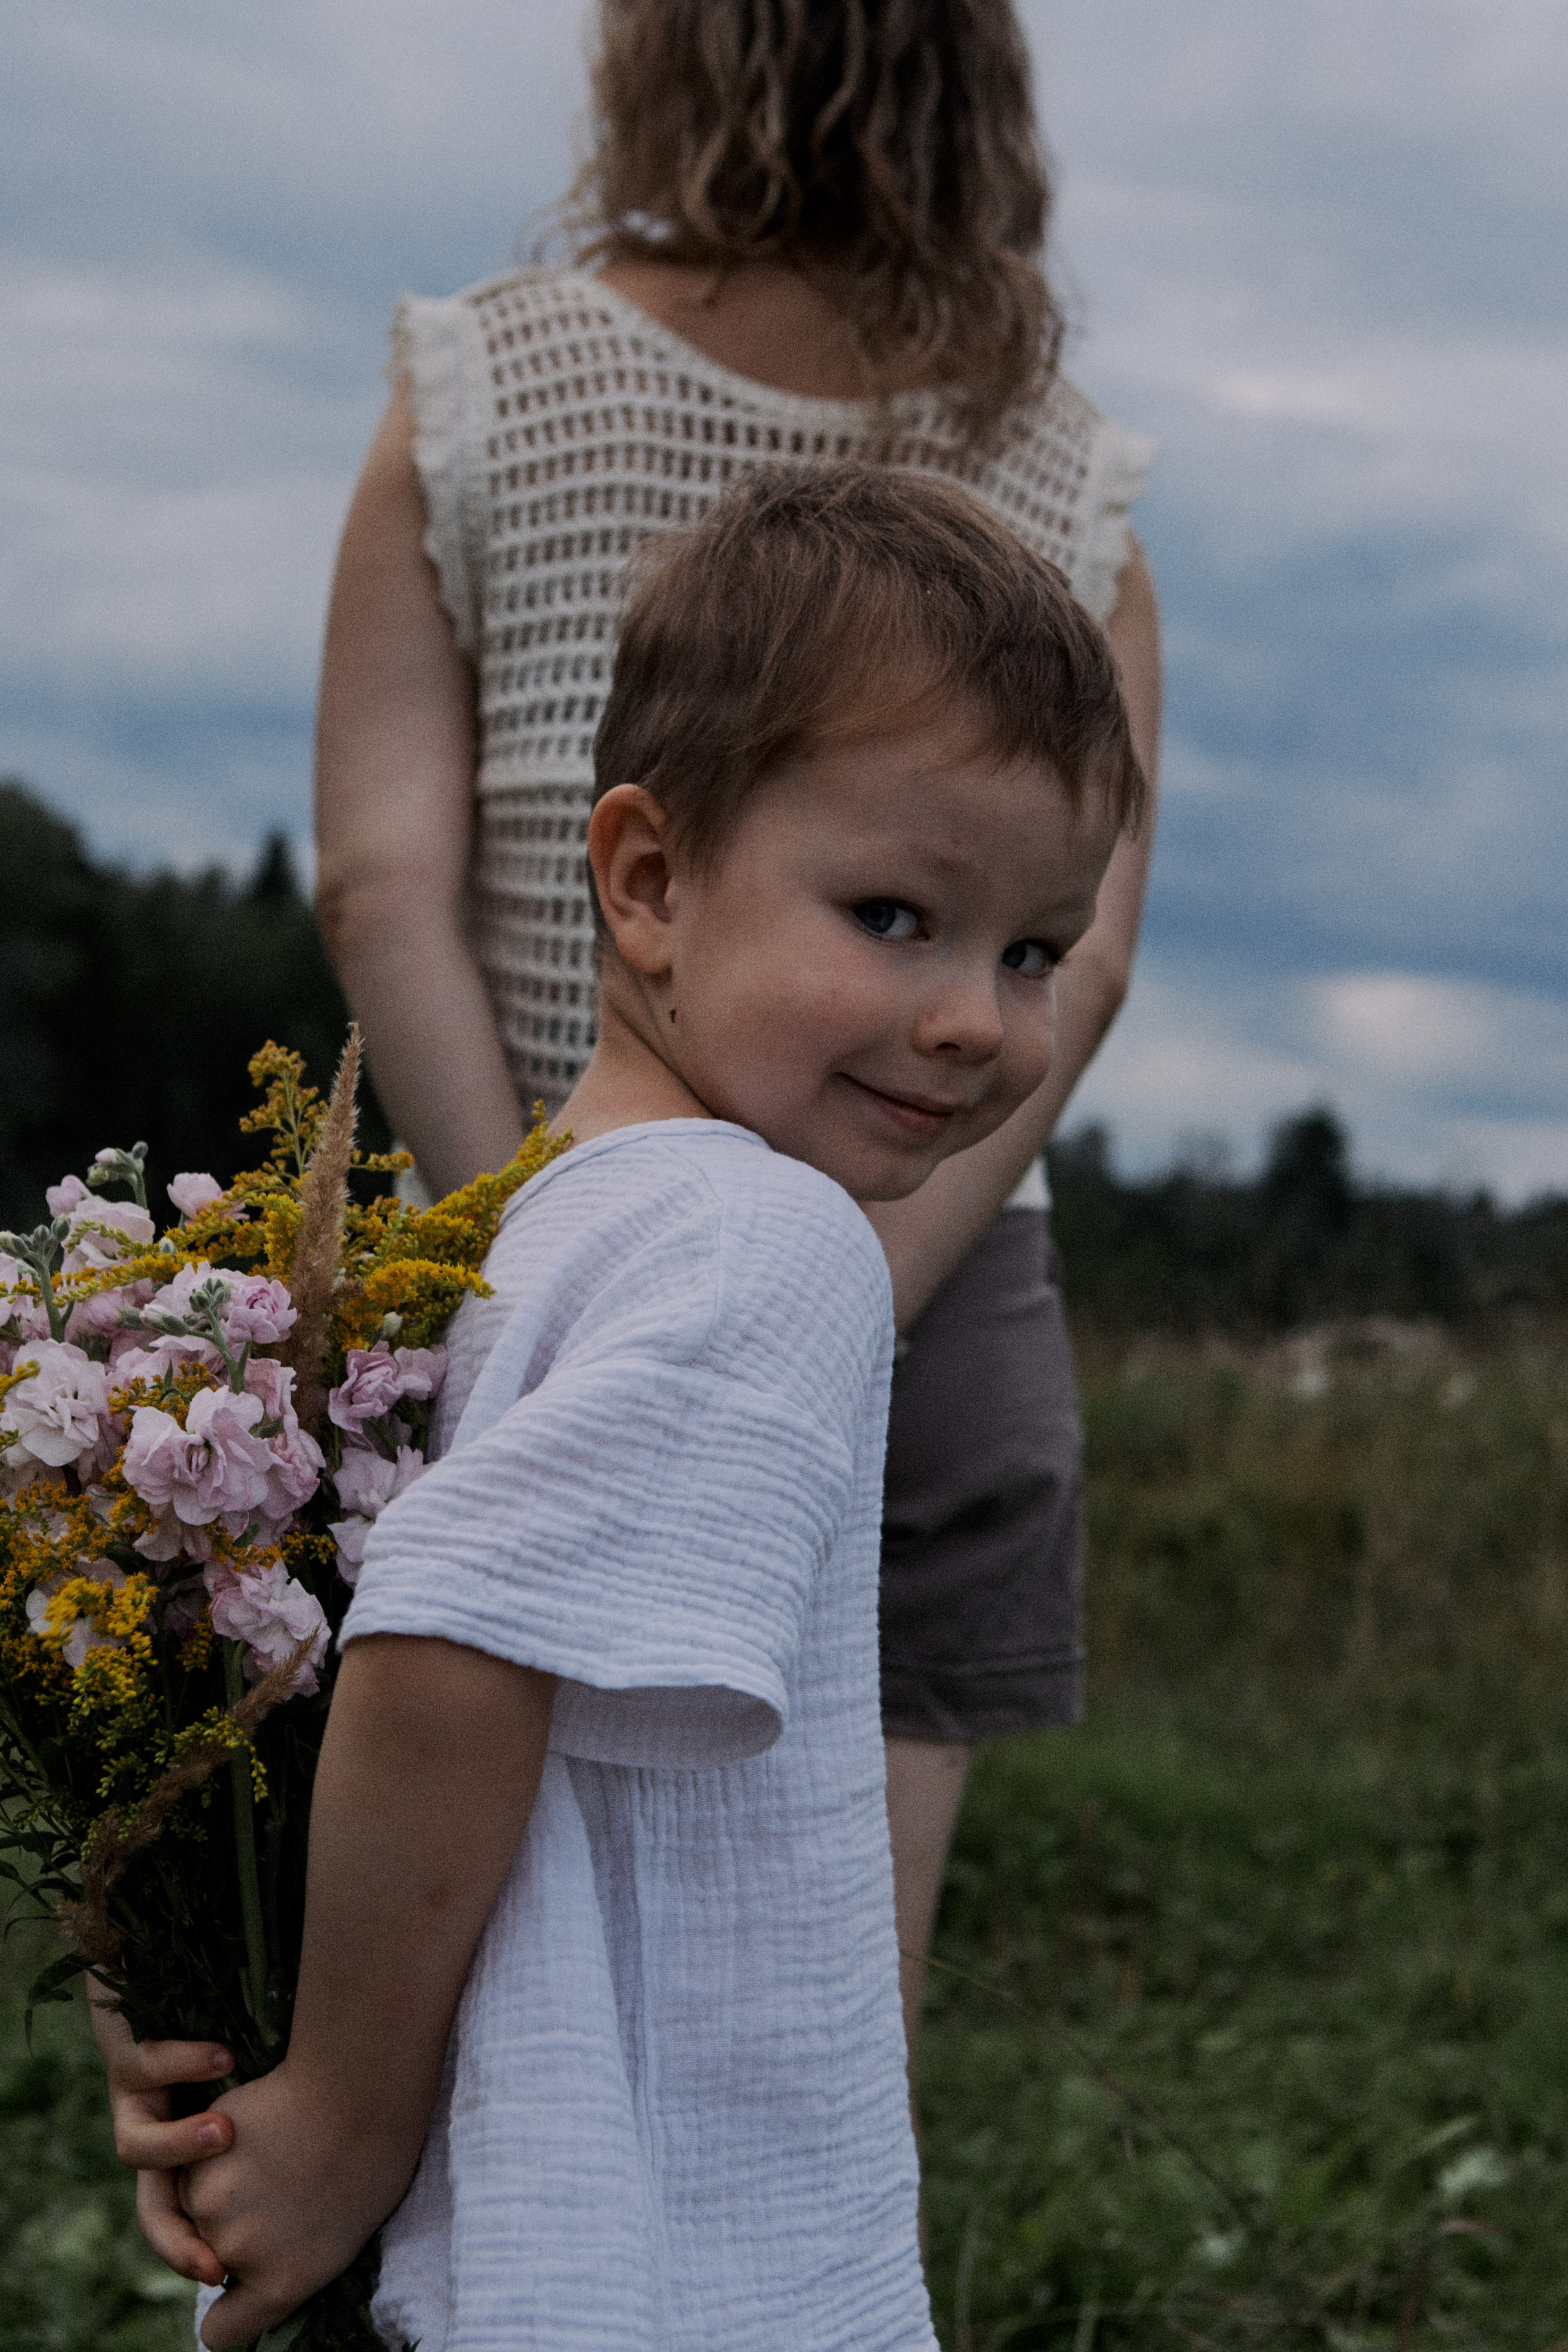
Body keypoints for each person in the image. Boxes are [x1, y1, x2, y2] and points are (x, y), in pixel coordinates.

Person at [104, 466, 1145, 2347]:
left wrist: (190, 2024)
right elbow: (443, 1652)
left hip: (502, 2226)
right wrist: (334, 2115)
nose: (979, 1021)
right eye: (896, 912)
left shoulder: (512, 1242)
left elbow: (245, 1697)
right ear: (650, 883)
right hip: (658, 2258)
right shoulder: (767, 1246)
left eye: (1031, 951)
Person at [310, 0, 1163, 2060]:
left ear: (667, 60)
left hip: (521, 1202)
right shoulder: (1072, 469)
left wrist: (504, 1246)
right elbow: (1094, 945)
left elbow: (380, 877)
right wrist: (859, 1287)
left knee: (455, 1980)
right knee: (813, 2022)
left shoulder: (488, 376)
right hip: (931, 1272)